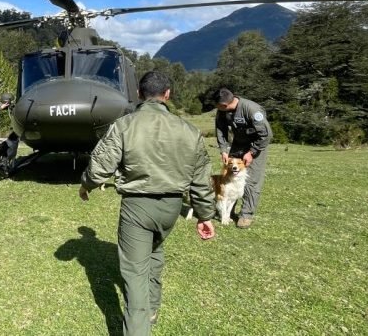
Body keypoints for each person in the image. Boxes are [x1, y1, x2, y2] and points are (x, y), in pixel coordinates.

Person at [79, 71, 215, 335]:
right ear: (167, 95)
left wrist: (86, 185)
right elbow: (201, 178)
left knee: (134, 273)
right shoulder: (189, 130)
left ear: (139, 94)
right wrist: (205, 215)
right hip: (172, 208)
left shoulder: (124, 125)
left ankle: (138, 328)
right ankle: (152, 308)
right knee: (155, 253)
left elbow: (100, 166)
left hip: (138, 207)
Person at [213, 87, 273, 228]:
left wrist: (252, 152)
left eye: (217, 106)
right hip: (238, 144)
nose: (217, 108)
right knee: (228, 174)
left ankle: (246, 215)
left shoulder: (251, 109)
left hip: (256, 146)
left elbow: (266, 135)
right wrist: (223, 149)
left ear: (224, 104)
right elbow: (220, 129)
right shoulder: (222, 111)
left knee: (251, 181)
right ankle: (227, 211)